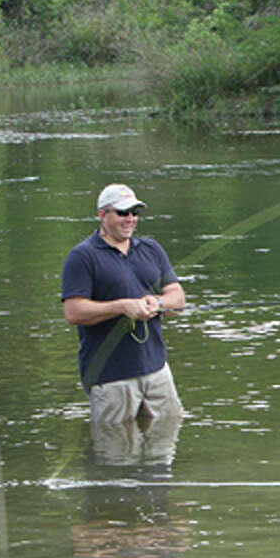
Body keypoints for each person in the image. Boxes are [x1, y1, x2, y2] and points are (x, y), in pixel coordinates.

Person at [61, 184, 186, 465]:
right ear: (102, 215)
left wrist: (158, 303)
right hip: (111, 376)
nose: (130, 219)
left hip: (157, 370)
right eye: (122, 213)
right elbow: (73, 311)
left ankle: (156, 507)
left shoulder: (151, 249)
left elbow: (177, 296)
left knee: (163, 454)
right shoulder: (82, 257)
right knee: (114, 461)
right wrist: (122, 307)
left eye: (135, 213)